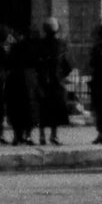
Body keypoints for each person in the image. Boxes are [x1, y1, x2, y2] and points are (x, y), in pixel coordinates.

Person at [35, 18, 71, 147]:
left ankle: (41, 136)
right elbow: (67, 65)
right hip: (56, 81)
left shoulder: (39, 44)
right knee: (55, 109)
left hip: (42, 81)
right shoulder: (60, 44)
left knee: (43, 109)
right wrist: (61, 76)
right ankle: (53, 136)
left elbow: (35, 63)